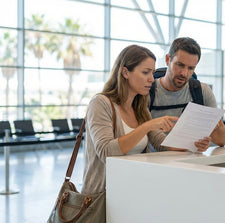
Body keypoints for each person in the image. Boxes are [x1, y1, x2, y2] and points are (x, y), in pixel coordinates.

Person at [81, 45, 211, 195]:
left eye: (152, 73)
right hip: (103, 195)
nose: (151, 78)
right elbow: (105, 152)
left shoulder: (139, 107)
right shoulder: (100, 103)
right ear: (125, 72)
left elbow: (162, 144)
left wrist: (193, 144)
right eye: (145, 72)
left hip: (133, 191)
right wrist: (147, 126)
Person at [149, 37, 225, 147]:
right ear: (168, 59)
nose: (184, 73)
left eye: (191, 68)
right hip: (152, 162)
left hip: (189, 162)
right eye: (180, 65)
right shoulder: (147, 91)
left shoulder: (202, 91)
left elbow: (222, 140)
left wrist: (208, 134)